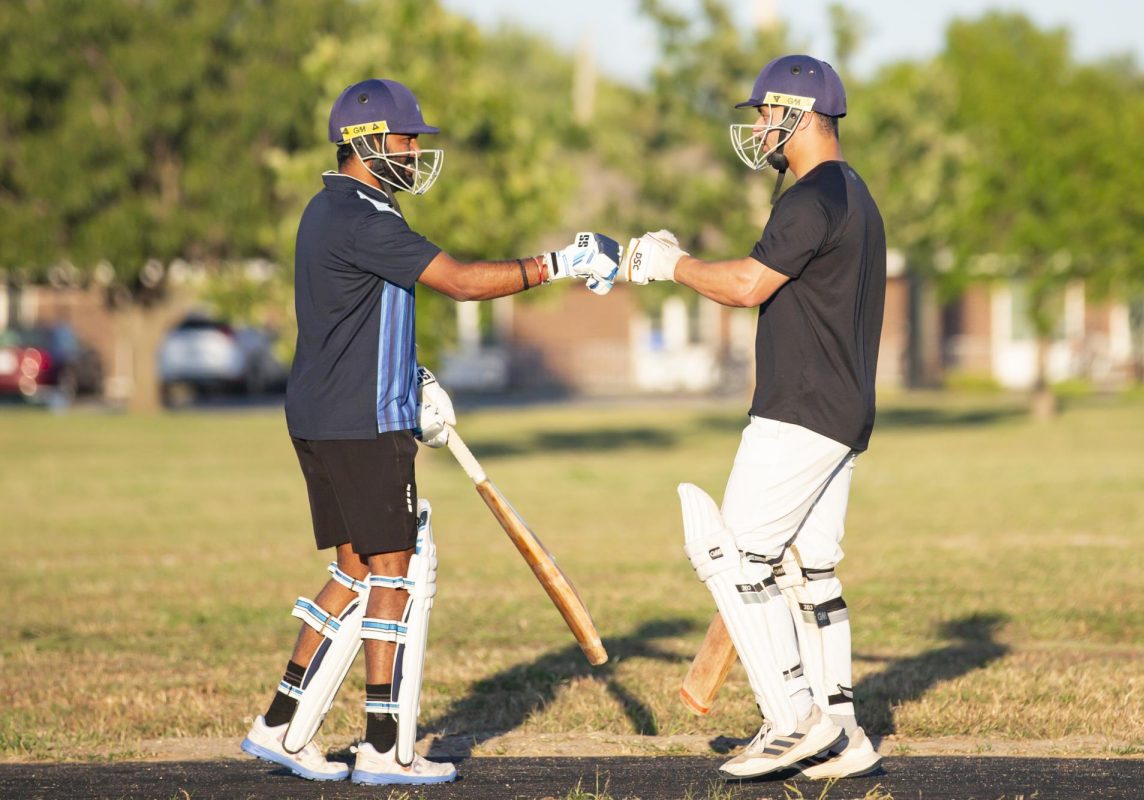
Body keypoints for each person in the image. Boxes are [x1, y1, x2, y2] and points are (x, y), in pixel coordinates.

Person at [239, 78, 620, 786]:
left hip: (324, 415)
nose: (415, 152)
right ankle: (384, 747)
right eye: (406, 139)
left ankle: (278, 727)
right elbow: (465, 281)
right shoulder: (367, 218)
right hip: (363, 424)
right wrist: (561, 262)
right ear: (365, 142)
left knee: (352, 571)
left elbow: (356, 319)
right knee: (396, 574)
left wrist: (411, 377)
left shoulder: (327, 211)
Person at [620, 55, 885, 780]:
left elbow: (744, 284)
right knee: (810, 570)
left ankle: (791, 719)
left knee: (733, 557)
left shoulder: (810, 198)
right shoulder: (854, 191)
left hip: (799, 409)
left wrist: (665, 263)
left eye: (768, 114)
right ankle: (844, 733)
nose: (760, 128)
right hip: (843, 409)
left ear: (800, 115)